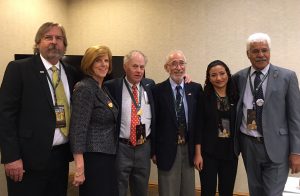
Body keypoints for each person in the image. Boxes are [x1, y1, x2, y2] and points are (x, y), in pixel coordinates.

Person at [0, 22, 77, 196]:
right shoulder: (19, 69)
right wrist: (11, 157)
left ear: (64, 45)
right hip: (27, 160)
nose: (54, 42)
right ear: (37, 43)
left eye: (59, 38)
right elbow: (5, 116)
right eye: (48, 37)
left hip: (60, 158)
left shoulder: (71, 72)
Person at [234, 32, 300, 195]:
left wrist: (296, 151)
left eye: (265, 50)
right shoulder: (238, 77)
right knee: (255, 191)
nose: (261, 55)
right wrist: (186, 80)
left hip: (278, 146)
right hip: (248, 145)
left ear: (270, 52)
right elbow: (216, 87)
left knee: (273, 193)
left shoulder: (287, 77)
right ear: (247, 54)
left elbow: (295, 117)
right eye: (255, 51)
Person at [152, 50, 203, 196]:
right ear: (166, 67)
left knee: (188, 190)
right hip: (166, 148)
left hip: (189, 147)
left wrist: (198, 152)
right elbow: (154, 122)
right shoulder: (157, 90)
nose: (178, 67)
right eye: (174, 64)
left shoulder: (195, 88)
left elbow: (198, 122)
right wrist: (153, 151)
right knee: (168, 191)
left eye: (181, 63)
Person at [104, 50, 155, 196]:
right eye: (135, 66)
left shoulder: (150, 85)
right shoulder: (112, 86)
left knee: (141, 188)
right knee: (119, 188)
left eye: (142, 67)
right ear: (126, 66)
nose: (139, 71)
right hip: (121, 147)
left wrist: (184, 78)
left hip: (144, 147)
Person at [69, 45, 119, 196]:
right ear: (89, 63)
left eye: (106, 60)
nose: (104, 64)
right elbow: (78, 129)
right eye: (98, 60)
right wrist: (79, 167)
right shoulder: (85, 88)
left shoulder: (102, 88)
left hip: (107, 156)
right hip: (94, 158)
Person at [200, 60, 238, 196]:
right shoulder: (203, 97)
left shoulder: (235, 96)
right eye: (214, 75)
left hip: (230, 153)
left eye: (222, 73)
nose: (219, 78)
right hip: (208, 153)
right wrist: (198, 154)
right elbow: (198, 127)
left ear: (228, 74)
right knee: (207, 191)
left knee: (227, 191)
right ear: (208, 78)